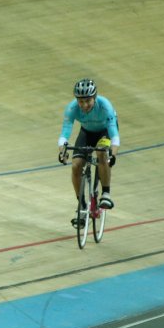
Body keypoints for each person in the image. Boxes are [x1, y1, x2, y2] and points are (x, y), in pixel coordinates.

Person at [58, 78, 119, 227]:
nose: (84, 105)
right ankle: (82, 206)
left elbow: (114, 135)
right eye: (81, 101)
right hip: (87, 133)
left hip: (105, 132)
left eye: (88, 101)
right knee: (76, 166)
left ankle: (106, 193)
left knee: (101, 153)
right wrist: (62, 151)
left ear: (95, 97)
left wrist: (113, 154)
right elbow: (65, 134)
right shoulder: (72, 108)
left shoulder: (105, 106)